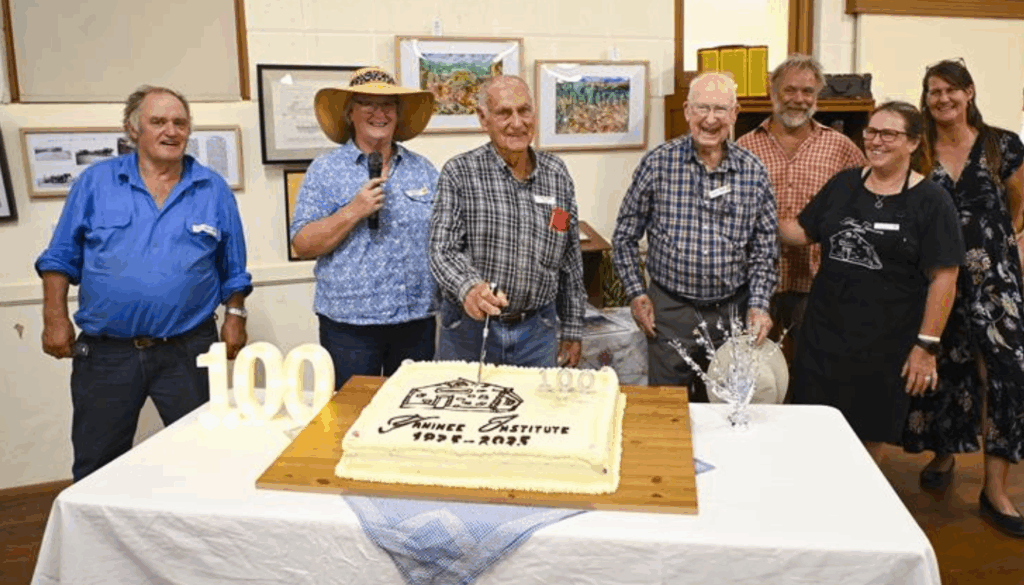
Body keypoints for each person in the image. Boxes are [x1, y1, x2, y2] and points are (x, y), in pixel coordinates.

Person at [36, 85, 252, 481]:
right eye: (158, 122)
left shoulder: (212, 188)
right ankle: (98, 543)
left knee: (204, 457)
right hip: (106, 354)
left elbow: (233, 265)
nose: (171, 131)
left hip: (188, 349)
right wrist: (55, 318)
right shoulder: (96, 183)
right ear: (132, 130)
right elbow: (60, 257)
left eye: (180, 122)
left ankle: (197, 540)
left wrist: (235, 316)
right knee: (96, 463)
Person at [780, 101, 964, 466]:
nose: (876, 141)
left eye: (888, 134)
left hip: (885, 345)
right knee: (812, 428)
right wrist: (750, 210)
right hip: (823, 336)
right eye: (871, 132)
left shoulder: (932, 201)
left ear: (913, 142)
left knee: (867, 439)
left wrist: (925, 347)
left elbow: (945, 278)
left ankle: (856, 512)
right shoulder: (845, 184)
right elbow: (801, 231)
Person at [901, 59, 1024, 538]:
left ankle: (995, 490)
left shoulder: (1002, 144)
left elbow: (1019, 206)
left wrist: (991, 244)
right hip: (934, 279)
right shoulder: (919, 148)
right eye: (934, 92)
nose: (943, 100)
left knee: (1008, 374)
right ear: (926, 98)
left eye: (952, 90)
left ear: (969, 93)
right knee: (943, 367)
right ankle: (944, 452)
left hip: (994, 279)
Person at [611, 72, 778, 394]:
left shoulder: (753, 171)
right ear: (687, 111)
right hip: (670, 312)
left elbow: (765, 251)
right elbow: (624, 236)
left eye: (719, 109)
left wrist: (759, 304)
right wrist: (636, 293)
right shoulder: (658, 164)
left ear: (734, 113)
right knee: (667, 406)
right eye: (702, 108)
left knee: (729, 404)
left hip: (734, 314)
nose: (710, 119)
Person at [290, 67, 439, 386]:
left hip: (416, 323)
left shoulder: (423, 170)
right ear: (350, 113)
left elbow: (445, 238)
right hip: (350, 328)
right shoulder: (325, 170)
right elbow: (302, 244)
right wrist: (353, 211)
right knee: (350, 420)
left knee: (410, 417)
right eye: (367, 104)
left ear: (398, 114)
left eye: (388, 105)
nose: (379, 113)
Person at [429, 75, 585, 368]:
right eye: (504, 113)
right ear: (483, 118)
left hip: (538, 333)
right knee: (465, 411)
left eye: (524, 110)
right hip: (469, 332)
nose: (517, 122)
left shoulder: (557, 175)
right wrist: (471, 288)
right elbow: (441, 249)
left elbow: (569, 256)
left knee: (537, 412)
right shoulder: (460, 173)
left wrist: (573, 328)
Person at [736, 54, 865, 348]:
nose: (798, 99)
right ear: (773, 92)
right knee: (753, 369)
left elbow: (862, 206)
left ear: (817, 95)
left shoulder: (841, 148)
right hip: (754, 283)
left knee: (813, 365)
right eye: (790, 90)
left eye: (807, 91)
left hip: (816, 283)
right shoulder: (744, 146)